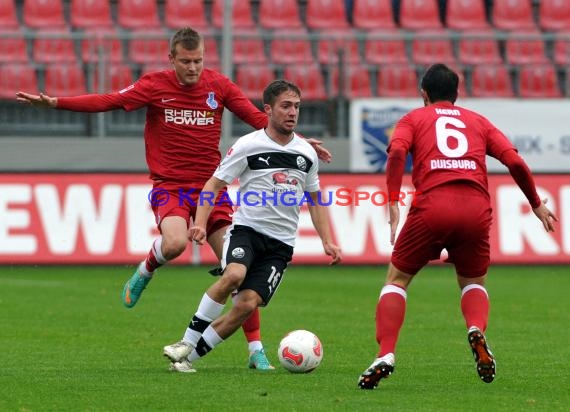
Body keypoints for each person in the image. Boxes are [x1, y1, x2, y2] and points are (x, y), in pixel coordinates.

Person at [16, 27, 331, 370]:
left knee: (237, 269)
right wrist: (56, 103)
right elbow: (110, 101)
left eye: (198, 61)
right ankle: (146, 268)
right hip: (171, 185)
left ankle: (255, 349)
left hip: (211, 189)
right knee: (177, 243)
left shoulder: (219, 85)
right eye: (186, 61)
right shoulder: (154, 85)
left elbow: (259, 118)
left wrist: (299, 141)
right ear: (172, 59)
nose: (193, 68)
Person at [358, 63, 557, 389]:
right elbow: (516, 162)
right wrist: (536, 203)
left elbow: (396, 151)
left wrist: (392, 200)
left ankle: (386, 353)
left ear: (424, 94)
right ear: (457, 94)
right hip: (476, 210)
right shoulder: (478, 121)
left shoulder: (413, 119)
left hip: (432, 207)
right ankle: (475, 329)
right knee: (472, 281)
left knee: (397, 279)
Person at [162, 79, 342, 373]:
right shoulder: (248, 145)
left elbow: (315, 199)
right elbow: (214, 183)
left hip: (280, 245)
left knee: (246, 305)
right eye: (285, 106)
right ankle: (186, 341)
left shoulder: (306, 154)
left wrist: (328, 241)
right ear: (268, 109)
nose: (292, 112)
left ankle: (185, 359)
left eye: (296, 106)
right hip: (247, 231)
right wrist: (201, 222)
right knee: (233, 274)